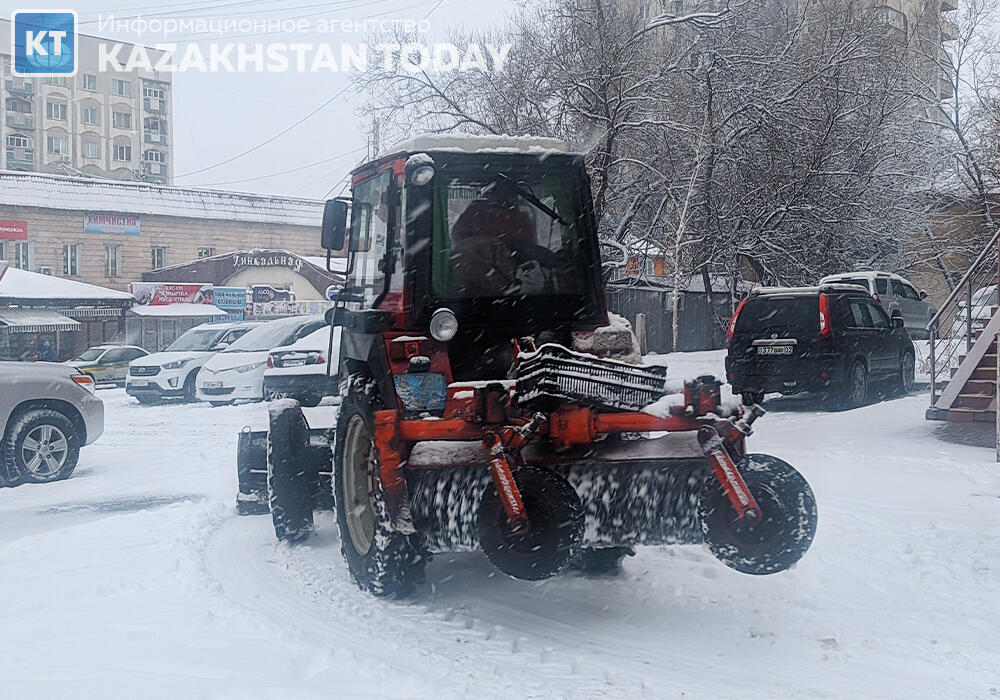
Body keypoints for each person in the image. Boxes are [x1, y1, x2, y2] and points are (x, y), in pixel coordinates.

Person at [450, 180, 556, 295]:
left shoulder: (474, 211)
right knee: (550, 259)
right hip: (505, 259)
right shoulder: (516, 213)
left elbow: (458, 239)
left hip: (495, 263)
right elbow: (528, 241)